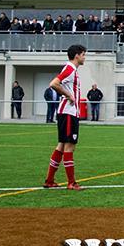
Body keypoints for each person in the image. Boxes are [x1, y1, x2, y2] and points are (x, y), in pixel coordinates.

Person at [43, 44, 86, 190]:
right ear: (77, 55)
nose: (84, 57)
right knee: (69, 147)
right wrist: (68, 95)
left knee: (61, 146)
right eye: (83, 55)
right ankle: (71, 182)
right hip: (68, 113)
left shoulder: (71, 69)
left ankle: (49, 180)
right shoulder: (70, 69)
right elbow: (53, 83)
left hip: (66, 112)